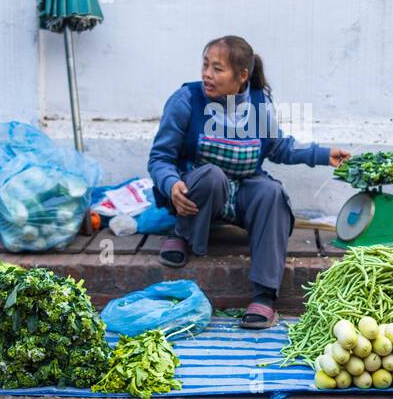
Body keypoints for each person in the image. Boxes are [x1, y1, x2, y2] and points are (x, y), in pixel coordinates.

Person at [148, 36, 350, 329]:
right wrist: (170, 184)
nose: (206, 74)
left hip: (242, 189)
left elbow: (279, 148)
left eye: (217, 69)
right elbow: (160, 158)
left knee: (271, 192)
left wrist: (322, 154)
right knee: (212, 175)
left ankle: (264, 297)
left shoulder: (257, 104)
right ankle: (183, 233)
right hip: (200, 191)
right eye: (205, 65)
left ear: (242, 76)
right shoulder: (187, 100)